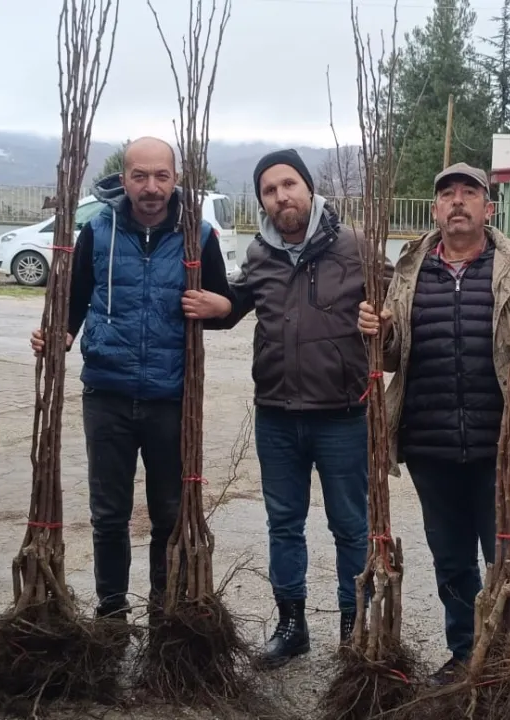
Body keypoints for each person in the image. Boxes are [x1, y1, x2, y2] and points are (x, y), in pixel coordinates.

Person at [357, 162, 510, 684]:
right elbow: (392, 355)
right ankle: (464, 654)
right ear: (435, 210)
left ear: (487, 208)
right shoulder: (410, 269)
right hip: (429, 445)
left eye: (468, 193)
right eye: (447, 194)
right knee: (451, 559)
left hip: (502, 445)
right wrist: (376, 334)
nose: (457, 201)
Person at [187, 150, 384, 667]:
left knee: (351, 525)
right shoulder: (260, 253)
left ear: (309, 188)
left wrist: (385, 321)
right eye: (269, 191)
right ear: (263, 202)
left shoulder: (354, 246)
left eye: (288, 184)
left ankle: (354, 626)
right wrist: (217, 306)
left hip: (342, 413)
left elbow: (398, 300)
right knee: (283, 524)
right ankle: (292, 625)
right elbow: (239, 303)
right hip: (275, 413)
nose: (281, 196)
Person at [30, 136, 234, 619]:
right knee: (108, 515)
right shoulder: (97, 231)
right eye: (139, 176)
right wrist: (59, 335)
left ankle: (165, 613)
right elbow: (75, 302)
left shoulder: (199, 236)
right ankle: (112, 614)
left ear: (176, 179)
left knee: (169, 514)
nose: (151, 187)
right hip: (107, 393)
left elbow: (224, 304)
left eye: (161, 176)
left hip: (171, 396)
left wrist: (219, 306)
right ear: (123, 180)